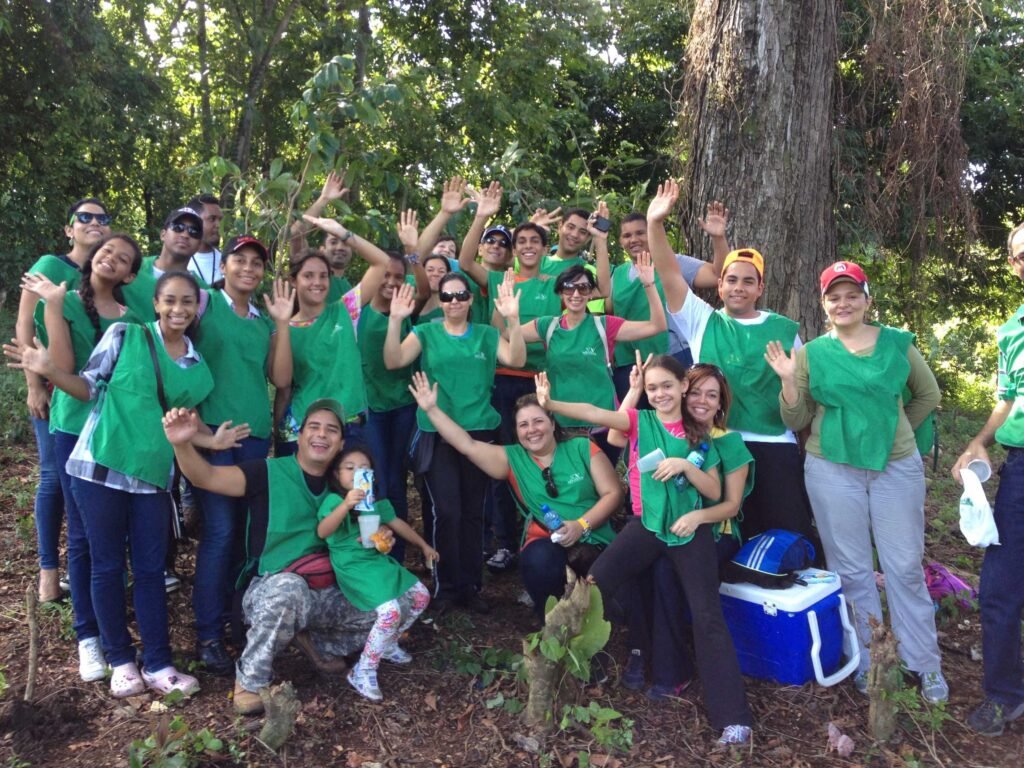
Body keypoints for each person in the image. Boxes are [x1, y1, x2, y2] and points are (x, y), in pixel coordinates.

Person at [4, 271, 242, 698]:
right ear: (155, 303)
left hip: (153, 480)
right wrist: (49, 372)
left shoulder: (197, 367)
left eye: (188, 302)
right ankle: (119, 659)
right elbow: (87, 388)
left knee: (151, 571)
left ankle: (158, 662)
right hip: (100, 469)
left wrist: (212, 438)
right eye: (170, 300)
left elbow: (187, 422)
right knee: (107, 564)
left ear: (197, 308)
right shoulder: (124, 335)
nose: (179, 310)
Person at [536, 358, 754, 746]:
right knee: (593, 586)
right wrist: (551, 405)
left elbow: (714, 492)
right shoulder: (640, 421)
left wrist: (685, 466)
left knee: (708, 618)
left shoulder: (701, 433)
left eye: (666, 386)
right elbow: (594, 412)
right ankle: (563, 671)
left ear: (682, 386)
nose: (660, 394)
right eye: (653, 389)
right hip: (648, 526)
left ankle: (734, 719)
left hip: (689, 533)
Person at [766, 260, 946, 703]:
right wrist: (789, 383)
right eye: (833, 296)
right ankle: (870, 664)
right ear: (824, 304)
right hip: (831, 468)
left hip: (896, 466)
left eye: (851, 294)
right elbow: (797, 417)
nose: (842, 303)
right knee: (851, 570)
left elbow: (928, 395)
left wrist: (893, 430)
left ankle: (924, 664)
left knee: (904, 567)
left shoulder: (898, 344)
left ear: (867, 299)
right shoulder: (811, 353)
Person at [162, 399, 411, 715]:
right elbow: (206, 477)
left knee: (399, 603)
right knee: (289, 590)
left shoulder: (352, 487)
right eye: (314, 427)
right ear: (299, 433)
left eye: (331, 430)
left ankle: (315, 644)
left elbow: (363, 548)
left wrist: (380, 542)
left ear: (341, 443)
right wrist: (182, 445)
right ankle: (250, 680)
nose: (321, 435)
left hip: (330, 591)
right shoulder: (267, 472)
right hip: (273, 588)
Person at [647, 180, 815, 542]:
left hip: (773, 444)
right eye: (731, 279)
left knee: (786, 535)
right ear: (719, 286)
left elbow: (801, 399)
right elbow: (669, 274)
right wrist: (655, 224)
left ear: (760, 288)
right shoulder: (702, 320)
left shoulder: (785, 331)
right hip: (715, 443)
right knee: (726, 537)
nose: (739, 287)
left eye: (748, 281)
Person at [22, 233, 142, 681]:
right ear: (93, 257)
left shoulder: (135, 315)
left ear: (130, 273)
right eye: (107, 251)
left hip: (119, 434)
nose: (111, 259)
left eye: (123, 259)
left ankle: (113, 627)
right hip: (73, 428)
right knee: (84, 537)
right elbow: (64, 367)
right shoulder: (65, 300)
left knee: (112, 538)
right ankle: (88, 637)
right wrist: (53, 305)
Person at [409, 372, 620, 617]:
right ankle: (550, 617)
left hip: (595, 536)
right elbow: (467, 444)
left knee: (615, 608)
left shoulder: (582, 447)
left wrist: (581, 525)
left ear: (552, 423)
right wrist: (432, 410)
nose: (532, 430)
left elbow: (613, 493)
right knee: (539, 560)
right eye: (523, 425)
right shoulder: (513, 459)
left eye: (538, 421)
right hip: (547, 541)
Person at [384, 273, 524, 612]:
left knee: (474, 512)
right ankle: (445, 586)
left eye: (461, 294)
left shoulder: (488, 336)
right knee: (446, 511)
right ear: (441, 301)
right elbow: (394, 361)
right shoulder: (426, 332)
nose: (455, 301)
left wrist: (514, 319)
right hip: (437, 430)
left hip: (479, 432)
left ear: (471, 299)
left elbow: (517, 360)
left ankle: (470, 587)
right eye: (447, 297)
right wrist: (395, 320)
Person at [612, 360, 752, 698]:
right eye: (698, 392)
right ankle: (639, 652)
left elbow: (729, 506)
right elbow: (617, 433)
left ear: (721, 404)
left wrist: (696, 519)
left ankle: (671, 670)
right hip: (663, 526)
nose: (703, 401)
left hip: (715, 531)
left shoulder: (728, 442)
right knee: (635, 566)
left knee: (664, 570)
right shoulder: (665, 430)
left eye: (713, 395)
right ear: (684, 392)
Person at [189, 235, 295, 676]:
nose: (248, 268)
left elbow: (280, 376)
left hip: (253, 439)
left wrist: (283, 324)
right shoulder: (202, 303)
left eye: (256, 263)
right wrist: (194, 426)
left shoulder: (259, 321)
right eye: (240, 260)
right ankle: (208, 634)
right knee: (219, 531)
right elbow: (176, 350)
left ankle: (238, 621)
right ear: (224, 265)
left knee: (247, 534)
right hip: (213, 434)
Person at [16, 197, 112, 602]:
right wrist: (34, 383)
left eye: (102, 218)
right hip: (54, 391)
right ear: (69, 228)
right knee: (54, 476)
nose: (94, 222)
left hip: (96, 396)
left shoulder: (110, 275)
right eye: (84, 217)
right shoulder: (50, 267)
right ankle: (48, 570)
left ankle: (86, 567)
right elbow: (24, 326)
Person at [951, 222, 1024, 735]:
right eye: (1019, 255)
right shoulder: (1012, 328)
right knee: (999, 586)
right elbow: (1008, 397)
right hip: (1020, 467)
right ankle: (1005, 695)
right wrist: (981, 440)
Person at [277, 213, 411, 451]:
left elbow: (381, 262)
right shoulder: (284, 327)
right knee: (303, 489)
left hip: (350, 424)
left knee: (360, 488)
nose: (317, 282)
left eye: (323, 276)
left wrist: (342, 233)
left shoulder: (345, 310)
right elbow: (283, 383)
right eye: (308, 275)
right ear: (294, 280)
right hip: (304, 426)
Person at [521, 253, 665, 465]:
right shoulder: (547, 326)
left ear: (591, 294)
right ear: (561, 292)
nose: (576, 293)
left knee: (609, 485)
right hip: (562, 424)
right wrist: (510, 312)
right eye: (569, 287)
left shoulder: (603, 325)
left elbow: (657, 326)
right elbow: (506, 336)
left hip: (602, 424)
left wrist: (649, 285)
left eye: (584, 288)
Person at [317, 446, 436, 700]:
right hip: (353, 567)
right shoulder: (334, 501)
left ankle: (389, 643)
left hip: (377, 563)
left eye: (364, 469)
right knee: (390, 611)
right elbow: (323, 531)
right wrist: (346, 504)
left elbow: (398, 525)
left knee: (421, 595)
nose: (357, 473)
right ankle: (363, 669)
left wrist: (424, 546)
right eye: (350, 468)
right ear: (337, 474)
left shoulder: (375, 504)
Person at [605, 204, 730, 398]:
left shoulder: (673, 263)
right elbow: (609, 316)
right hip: (630, 364)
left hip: (673, 356)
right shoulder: (617, 275)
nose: (634, 240)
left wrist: (718, 238)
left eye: (640, 233)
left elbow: (717, 275)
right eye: (627, 235)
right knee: (636, 424)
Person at [358, 252, 421, 562]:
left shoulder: (407, 305)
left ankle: (395, 555)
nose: (392, 282)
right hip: (371, 408)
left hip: (403, 405)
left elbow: (421, 282)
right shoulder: (357, 310)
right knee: (373, 478)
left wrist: (413, 248)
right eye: (386, 275)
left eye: (398, 276)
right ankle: (370, 551)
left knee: (395, 478)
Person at [121, 207, 206, 318]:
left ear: (199, 245)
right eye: (178, 227)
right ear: (163, 234)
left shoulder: (202, 292)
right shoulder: (131, 268)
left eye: (194, 232)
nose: (185, 235)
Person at [186, 194, 224, 286]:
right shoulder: (180, 261)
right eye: (212, 219)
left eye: (220, 220)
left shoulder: (228, 262)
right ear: (194, 221)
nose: (218, 225)